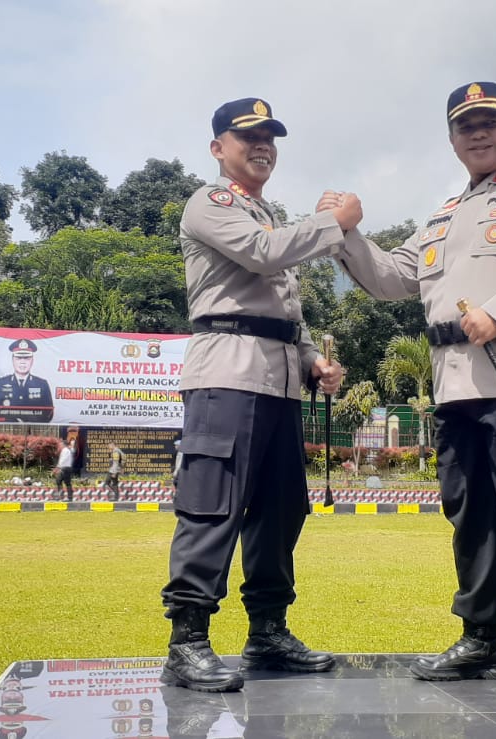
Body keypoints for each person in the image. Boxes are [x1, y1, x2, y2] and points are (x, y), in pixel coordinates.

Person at [330, 81, 496, 703]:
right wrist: (345, 232)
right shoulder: (445, 214)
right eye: (465, 126)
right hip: (459, 388)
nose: (478, 133)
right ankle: (482, 638)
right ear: (452, 138)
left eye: (488, 121)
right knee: (470, 515)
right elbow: (394, 276)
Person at [159, 97, 354, 693]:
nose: (262, 145)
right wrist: (337, 221)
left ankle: (267, 632)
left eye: (270, 136)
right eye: (248, 137)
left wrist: (311, 360)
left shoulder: (267, 213)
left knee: (279, 510)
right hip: (225, 375)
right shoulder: (213, 203)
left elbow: (273, 316)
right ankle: (187, 641)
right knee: (213, 505)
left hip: (275, 382)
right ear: (219, 148)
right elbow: (262, 257)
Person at [0, 338, 54, 422]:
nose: (22, 362)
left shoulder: (42, 384)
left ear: (32, 360)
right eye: (18, 358)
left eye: (27, 358)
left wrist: (32, 423)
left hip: (33, 431)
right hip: (6, 431)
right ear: (12, 360)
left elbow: (49, 411)